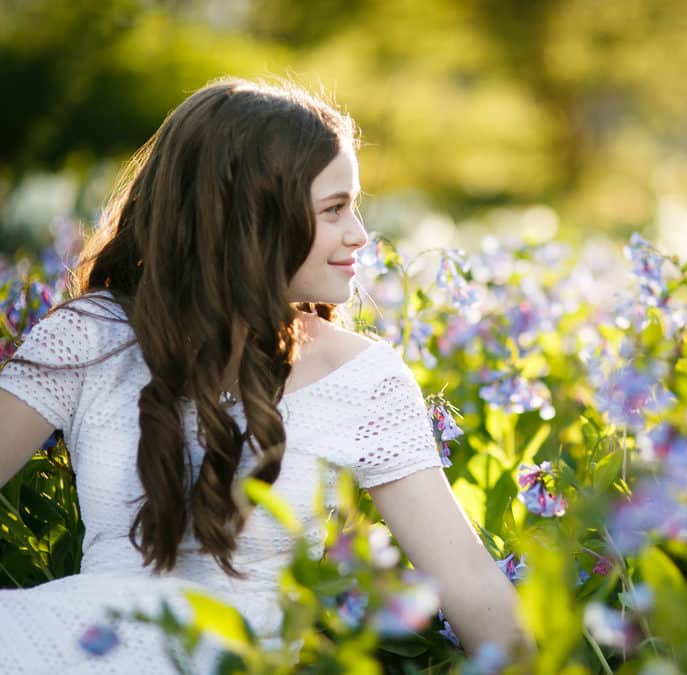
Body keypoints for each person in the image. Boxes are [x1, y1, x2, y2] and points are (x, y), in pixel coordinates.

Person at [0, 77, 530, 672]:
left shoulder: (361, 377)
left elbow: (468, 582)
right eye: (334, 209)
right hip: (69, 646)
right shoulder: (91, 335)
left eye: (354, 205)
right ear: (251, 222)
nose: (359, 234)